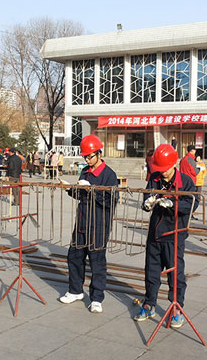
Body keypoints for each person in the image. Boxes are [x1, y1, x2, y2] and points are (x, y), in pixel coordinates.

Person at [133, 144, 198, 328]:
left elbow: (194, 203)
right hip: (155, 233)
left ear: (174, 163)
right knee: (151, 271)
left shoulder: (185, 181)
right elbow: (148, 196)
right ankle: (149, 303)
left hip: (174, 234)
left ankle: (177, 308)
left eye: (166, 170)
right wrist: (148, 203)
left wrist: (173, 205)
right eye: (159, 170)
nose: (163, 173)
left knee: (175, 274)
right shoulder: (155, 178)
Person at [59, 135, 118, 314]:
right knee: (74, 256)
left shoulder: (109, 175)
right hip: (82, 221)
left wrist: (92, 191)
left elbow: (111, 201)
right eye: (85, 157)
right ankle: (75, 290)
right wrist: (71, 189)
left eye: (90, 156)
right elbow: (80, 195)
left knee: (97, 261)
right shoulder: (85, 171)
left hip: (99, 223)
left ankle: (97, 298)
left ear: (99, 153)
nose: (87, 159)